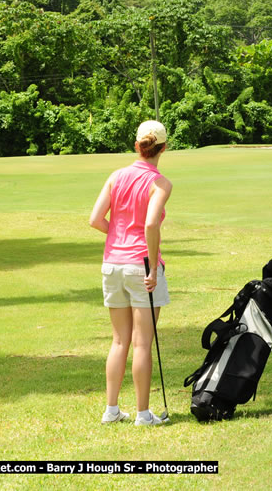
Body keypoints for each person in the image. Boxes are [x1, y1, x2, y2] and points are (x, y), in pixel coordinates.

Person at [89, 120, 173, 426]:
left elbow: (96, 219)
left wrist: (118, 238)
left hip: (112, 264)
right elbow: (151, 224)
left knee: (119, 341)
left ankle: (111, 410)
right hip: (140, 265)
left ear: (137, 145)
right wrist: (151, 265)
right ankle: (142, 414)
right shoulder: (160, 183)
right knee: (141, 343)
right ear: (164, 147)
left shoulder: (116, 176)